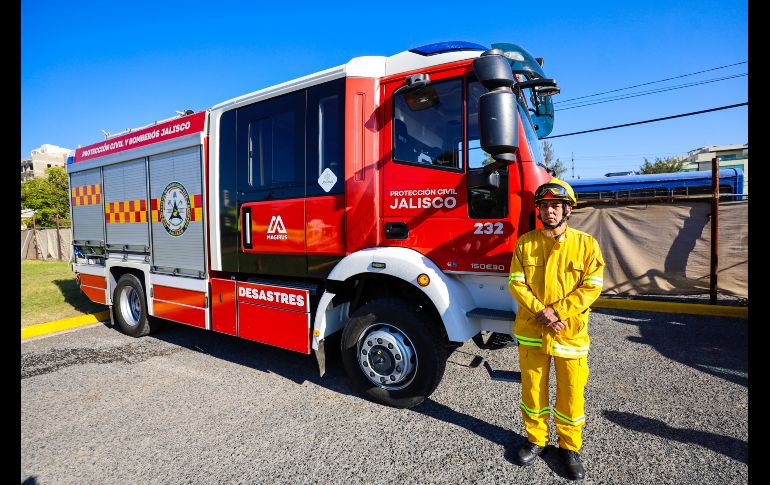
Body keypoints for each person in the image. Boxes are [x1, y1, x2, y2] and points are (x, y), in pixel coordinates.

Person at [507, 177, 604, 481]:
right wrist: (542, 311)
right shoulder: (525, 243)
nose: (549, 211)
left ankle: (569, 448)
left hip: (569, 334)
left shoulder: (586, 245)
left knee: (571, 395)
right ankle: (536, 440)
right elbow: (516, 282)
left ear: (568, 210)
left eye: (555, 206)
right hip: (533, 331)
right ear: (538, 210)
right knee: (533, 391)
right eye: (544, 206)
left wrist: (558, 311)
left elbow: (592, 286)